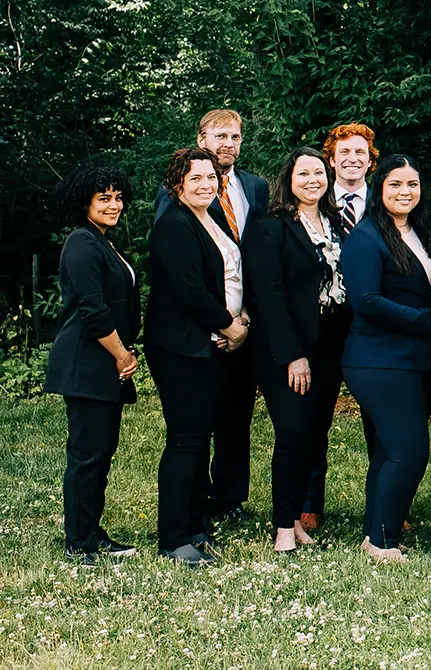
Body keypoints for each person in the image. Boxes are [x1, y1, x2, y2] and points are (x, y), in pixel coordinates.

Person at [153, 110, 268, 524]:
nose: (229, 144)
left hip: (230, 332)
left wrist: (244, 321)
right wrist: (227, 324)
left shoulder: (239, 198)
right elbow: (187, 282)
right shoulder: (175, 213)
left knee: (224, 425)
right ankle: (183, 520)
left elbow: (241, 265)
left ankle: (217, 508)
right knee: (191, 437)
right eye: (220, 136)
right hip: (193, 338)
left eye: (236, 136)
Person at [244, 147, 351, 553]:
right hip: (286, 348)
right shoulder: (270, 226)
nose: (312, 180)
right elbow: (268, 296)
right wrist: (292, 354)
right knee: (291, 432)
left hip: (330, 345)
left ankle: (295, 519)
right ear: (289, 178)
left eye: (319, 173)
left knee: (312, 433)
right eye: (303, 173)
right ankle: (283, 529)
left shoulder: (336, 222)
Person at [145, 147, 248, 567]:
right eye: (196, 179)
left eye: (211, 178)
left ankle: (194, 524)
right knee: (185, 441)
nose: (206, 184)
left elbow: (228, 274)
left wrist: (235, 323)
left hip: (208, 344)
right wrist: (232, 326)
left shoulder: (212, 217)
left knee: (199, 439)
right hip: (179, 348)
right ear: (177, 185)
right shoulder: (173, 225)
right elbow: (190, 291)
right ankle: (173, 537)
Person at [340, 155, 431, 563]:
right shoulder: (366, 237)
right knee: (409, 449)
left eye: (412, 185)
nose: (405, 192)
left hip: (418, 359)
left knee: (387, 450)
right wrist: (426, 320)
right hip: (379, 358)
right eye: (396, 185)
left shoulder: (419, 232)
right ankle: (384, 541)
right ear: (379, 190)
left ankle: (374, 532)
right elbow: (365, 301)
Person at [47, 165, 141, 566]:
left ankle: (91, 532)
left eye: (118, 197)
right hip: (87, 363)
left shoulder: (102, 241)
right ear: (84, 203)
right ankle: (79, 543)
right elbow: (94, 310)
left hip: (100, 364)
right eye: (104, 198)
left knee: (100, 454)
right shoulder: (82, 243)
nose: (114, 205)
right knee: (87, 456)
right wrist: (122, 354)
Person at [304, 122, 380, 530]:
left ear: (371, 161)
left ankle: (385, 501)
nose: (353, 160)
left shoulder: (384, 202)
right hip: (326, 325)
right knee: (316, 415)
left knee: (379, 415)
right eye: (345, 154)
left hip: (373, 324)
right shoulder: (315, 202)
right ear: (331, 160)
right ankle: (310, 502)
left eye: (361, 154)